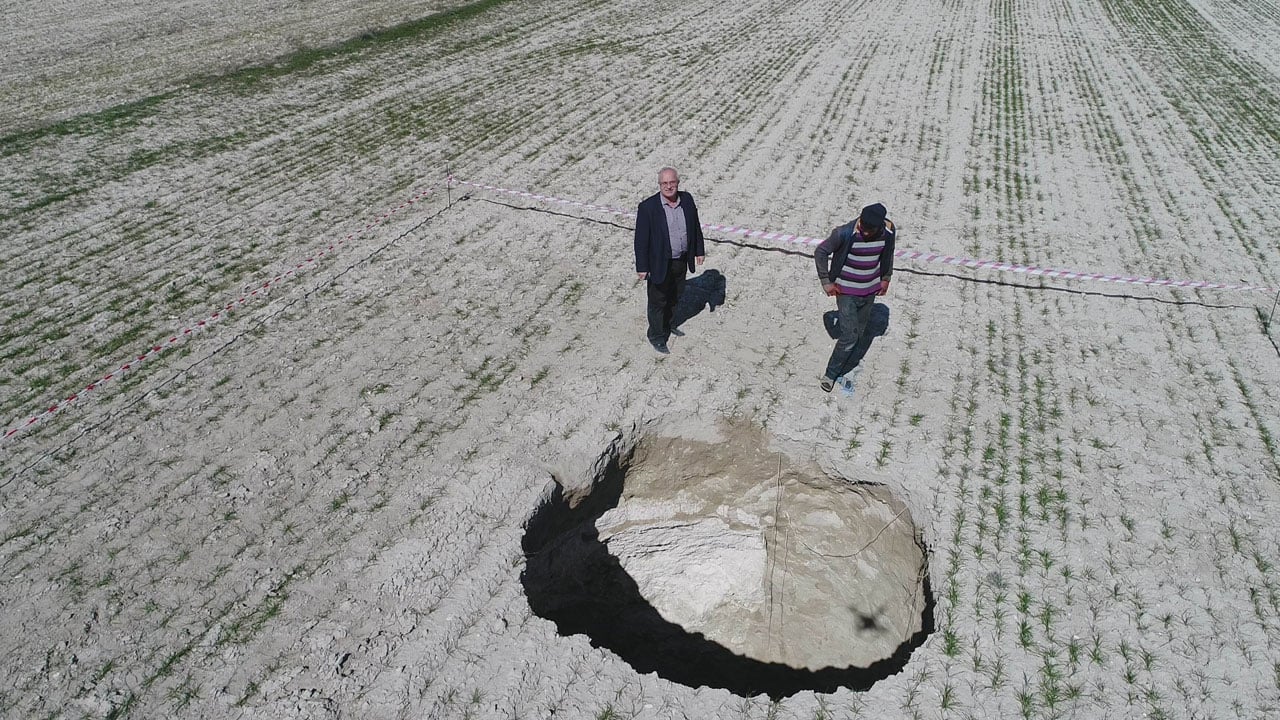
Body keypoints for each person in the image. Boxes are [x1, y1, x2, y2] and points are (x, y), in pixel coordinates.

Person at [814, 202, 895, 392]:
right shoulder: (843, 233)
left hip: (869, 291)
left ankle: (849, 358)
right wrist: (826, 281)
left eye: (870, 230)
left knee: (860, 331)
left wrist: (886, 277)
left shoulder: (888, 231)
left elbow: (888, 254)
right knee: (849, 337)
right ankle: (831, 374)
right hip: (846, 292)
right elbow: (821, 251)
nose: (865, 233)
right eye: (863, 228)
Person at [634, 167, 706, 353]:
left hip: (681, 260)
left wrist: (699, 250)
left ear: (677, 182)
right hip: (659, 262)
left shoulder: (687, 200)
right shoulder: (648, 208)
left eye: (672, 182)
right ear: (659, 185)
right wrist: (642, 267)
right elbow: (641, 241)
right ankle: (657, 336)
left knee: (675, 296)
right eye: (664, 183)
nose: (669, 186)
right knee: (658, 301)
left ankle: (669, 324)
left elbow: (695, 226)